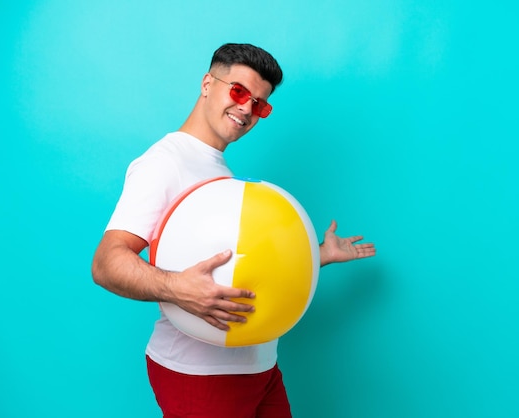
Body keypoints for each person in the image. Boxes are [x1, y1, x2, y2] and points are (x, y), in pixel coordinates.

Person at [91, 43, 376, 418]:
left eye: (260, 105)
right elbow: (106, 264)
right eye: (239, 91)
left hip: (258, 365)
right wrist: (177, 287)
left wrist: (316, 254)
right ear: (208, 83)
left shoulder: (216, 169)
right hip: (200, 374)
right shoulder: (164, 163)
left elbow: (239, 261)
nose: (246, 109)